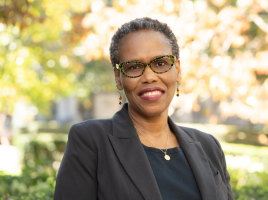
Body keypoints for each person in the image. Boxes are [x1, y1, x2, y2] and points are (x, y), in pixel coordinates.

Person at [54, 17, 234, 200]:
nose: (149, 77)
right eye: (133, 67)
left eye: (161, 64)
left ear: (177, 70)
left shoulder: (208, 145)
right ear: (118, 77)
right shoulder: (91, 140)